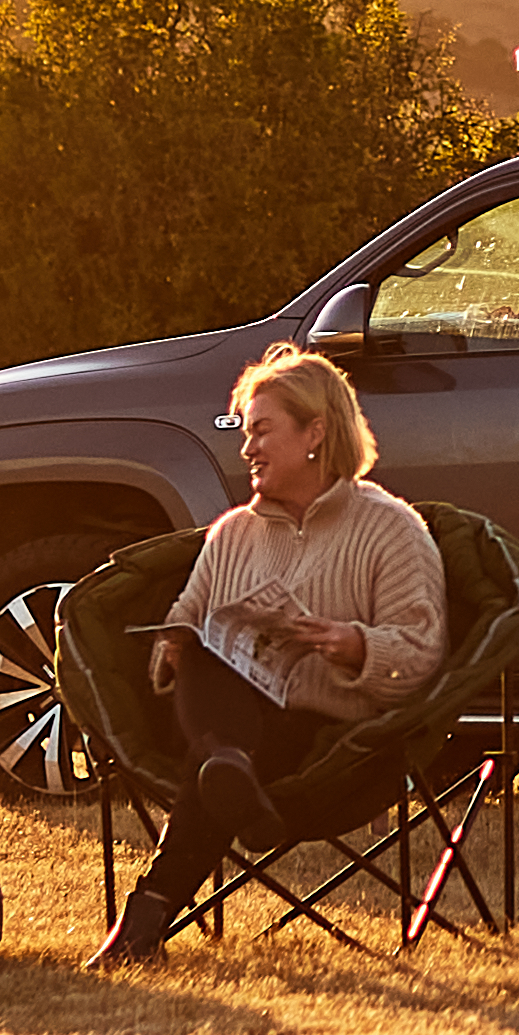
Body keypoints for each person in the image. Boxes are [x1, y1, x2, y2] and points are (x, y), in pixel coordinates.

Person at [114, 343, 450, 959]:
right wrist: (172, 647)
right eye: (246, 433)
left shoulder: (391, 529)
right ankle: (225, 776)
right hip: (224, 719)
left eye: (263, 431)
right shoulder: (232, 533)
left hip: (323, 737)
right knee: (206, 658)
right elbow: (183, 619)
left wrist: (351, 644)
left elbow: (421, 653)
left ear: (315, 432)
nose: (248, 450)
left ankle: (145, 915)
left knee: (213, 764)